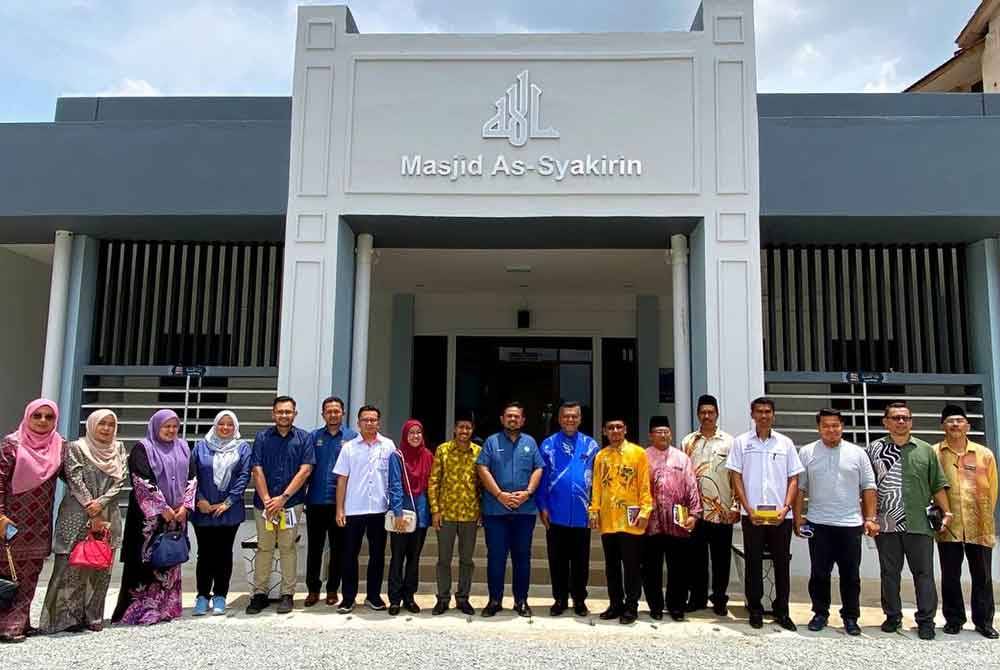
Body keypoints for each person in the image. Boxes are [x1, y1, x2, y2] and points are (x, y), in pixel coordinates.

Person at [867, 401, 951, 640]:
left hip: (919, 522)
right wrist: (869, 518)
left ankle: (926, 621)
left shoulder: (925, 450)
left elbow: (937, 484)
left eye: (905, 417)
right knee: (889, 573)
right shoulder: (873, 450)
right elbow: (867, 487)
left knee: (924, 574)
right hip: (886, 522)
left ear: (911, 421)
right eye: (895, 418)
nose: (901, 421)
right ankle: (892, 617)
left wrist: (947, 513)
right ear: (885, 422)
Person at [40, 409, 127, 633]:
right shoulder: (77, 448)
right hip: (77, 514)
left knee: (100, 565)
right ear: (91, 425)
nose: (106, 428)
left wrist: (101, 504)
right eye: (102, 423)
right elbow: (74, 479)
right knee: (70, 566)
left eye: (110, 424)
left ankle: (92, 616)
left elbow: (121, 480)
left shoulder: (118, 448)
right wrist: (92, 507)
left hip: (108, 513)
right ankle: (64, 619)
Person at [793, 409, 877, 636]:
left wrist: (870, 518)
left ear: (842, 427)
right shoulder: (807, 452)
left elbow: (869, 487)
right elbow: (800, 488)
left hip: (850, 524)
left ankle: (851, 617)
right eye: (826, 426)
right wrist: (798, 518)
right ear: (818, 428)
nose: (831, 430)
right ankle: (820, 613)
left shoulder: (857, 453)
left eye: (835, 425)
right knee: (819, 573)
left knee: (851, 575)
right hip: (818, 523)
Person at [112, 409, 196, 625]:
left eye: (174, 426)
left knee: (170, 556)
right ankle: (140, 611)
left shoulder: (183, 447)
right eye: (166, 426)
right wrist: (162, 507)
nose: (171, 430)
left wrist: (185, 506)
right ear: (156, 426)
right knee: (146, 559)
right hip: (148, 517)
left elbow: (192, 478)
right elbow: (141, 480)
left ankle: (167, 608)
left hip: (177, 516)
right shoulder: (143, 448)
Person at [726, 397, 803, 631]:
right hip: (753, 516)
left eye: (768, 411)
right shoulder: (741, 442)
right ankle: (755, 609)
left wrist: (786, 508)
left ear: (773, 415)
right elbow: (736, 477)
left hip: (781, 517)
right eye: (759, 411)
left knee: (782, 563)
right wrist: (746, 508)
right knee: (753, 563)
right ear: (752, 415)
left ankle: (782, 611)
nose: (763, 415)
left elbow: (794, 478)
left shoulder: (785, 443)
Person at [0, 399, 63, 643]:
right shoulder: (11, 445)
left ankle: (20, 621)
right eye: (37, 416)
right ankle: (7, 623)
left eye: (49, 416)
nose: (43, 421)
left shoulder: (59, 446)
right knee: (7, 572)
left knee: (30, 574)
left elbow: (75, 476)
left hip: (39, 524)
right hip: (9, 521)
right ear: (28, 417)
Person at [932, 404, 997, 638]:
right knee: (950, 575)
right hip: (949, 525)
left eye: (959, 420)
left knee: (983, 575)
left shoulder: (984, 454)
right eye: (950, 421)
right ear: (943, 426)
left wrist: (984, 515)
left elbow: (993, 488)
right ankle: (954, 619)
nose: (955, 424)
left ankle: (984, 621)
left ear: (967, 426)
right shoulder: (934, 453)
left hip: (979, 525)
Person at [245, 396, 314, 616]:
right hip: (264, 505)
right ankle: (259, 594)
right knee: (264, 547)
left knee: (287, 547)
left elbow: (305, 470)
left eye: (288, 411)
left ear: (295, 414)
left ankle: (287, 594)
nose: (284, 415)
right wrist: (268, 500)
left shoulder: (304, 438)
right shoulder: (262, 437)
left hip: (291, 504)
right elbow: (256, 469)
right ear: (273, 413)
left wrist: (282, 498)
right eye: (280, 411)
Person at [476, 401, 544, 618]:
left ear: (523, 420)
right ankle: (494, 600)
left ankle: (521, 601)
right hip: (495, 511)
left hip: (524, 511)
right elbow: (482, 468)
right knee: (496, 557)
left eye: (517, 416)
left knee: (522, 557)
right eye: (509, 416)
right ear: (502, 419)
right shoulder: (491, 442)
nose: (513, 419)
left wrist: (528, 493)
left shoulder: (530, 442)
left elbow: (538, 468)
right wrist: (499, 494)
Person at [537, 401, 600, 617]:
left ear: (580, 419)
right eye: (566, 416)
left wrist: (595, 507)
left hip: (582, 515)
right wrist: (542, 506)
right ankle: (560, 599)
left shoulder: (591, 445)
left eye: (574, 416)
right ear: (559, 419)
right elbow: (541, 478)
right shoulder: (548, 445)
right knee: (557, 561)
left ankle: (579, 600)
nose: (570, 420)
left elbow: (598, 481)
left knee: (581, 561)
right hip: (556, 513)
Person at [588, 416, 652, 625]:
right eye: (611, 427)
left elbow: (644, 485)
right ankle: (615, 604)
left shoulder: (638, 453)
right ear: (605, 431)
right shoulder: (601, 456)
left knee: (632, 566)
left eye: (618, 427)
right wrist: (594, 510)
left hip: (631, 520)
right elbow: (597, 486)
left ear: (625, 430)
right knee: (612, 566)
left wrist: (645, 511)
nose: (615, 431)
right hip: (609, 519)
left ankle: (631, 606)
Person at [334, 405, 397, 613]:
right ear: (358, 423)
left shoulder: (388, 445)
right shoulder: (349, 448)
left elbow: (394, 478)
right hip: (354, 509)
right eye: (365, 420)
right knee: (349, 555)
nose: (369, 423)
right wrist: (340, 509)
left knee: (377, 555)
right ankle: (348, 598)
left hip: (380, 509)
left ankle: (373, 596)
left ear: (379, 422)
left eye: (373, 420)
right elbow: (342, 480)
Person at [189, 410, 252, 616]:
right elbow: (192, 475)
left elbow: (244, 476)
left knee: (224, 554)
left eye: (230, 424)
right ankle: (202, 596)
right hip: (203, 509)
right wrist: (200, 500)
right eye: (221, 424)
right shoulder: (201, 447)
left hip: (229, 511)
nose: (225, 428)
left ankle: (220, 596)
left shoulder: (242, 448)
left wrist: (228, 502)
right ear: (215, 425)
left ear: (235, 427)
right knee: (204, 554)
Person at [682, 394, 738, 615]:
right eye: (703, 412)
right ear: (698, 414)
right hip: (696, 512)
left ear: (717, 414)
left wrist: (736, 506)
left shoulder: (730, 442)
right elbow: (684, 476)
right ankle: (697, 598)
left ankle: (720, 598)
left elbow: (736, 477)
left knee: (721, 559)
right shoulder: (688, 442)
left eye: (711, 412)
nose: (707, 416)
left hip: (722, 510)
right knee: (696, 558)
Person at [642, 415, 701, 622]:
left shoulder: (682, 458)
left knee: (679, 567)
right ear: (651, 435)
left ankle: (676, 606)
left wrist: (694, 514)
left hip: (678, 522)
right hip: (651, 523)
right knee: (651, 568)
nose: (663, 435)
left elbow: (692, 486)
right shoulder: (642, 457)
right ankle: (655, 606)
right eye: (658, 432)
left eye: (666, 432)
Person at [304, 396, 356, 608]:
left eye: (336, 411)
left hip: (340, 504)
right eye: (329, 411)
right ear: (323, 414)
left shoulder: (352, 437)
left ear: (343, 413)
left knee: (338, 549)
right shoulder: (313, 437)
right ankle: (313, 589)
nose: (333, 414)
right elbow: (306, 468)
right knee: (314, 549)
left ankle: (333, 589)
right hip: (316, 501)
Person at [428, 411, 482, 616]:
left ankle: (463, 598)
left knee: (467, 560)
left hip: (470, 514)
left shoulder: (478, 452)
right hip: (447, 514)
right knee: (444, 559)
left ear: (472, 430)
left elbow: (482, 484)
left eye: (468, 428)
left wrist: (482, 511)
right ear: (454, 429)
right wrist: (435, 510)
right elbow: (434, 481)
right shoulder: (443, 450)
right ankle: (443, 599)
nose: (464, 431)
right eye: (461, 427)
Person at [387, 419, 433, 615]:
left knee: (414, 559)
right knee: (397, 557)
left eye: (418, 432)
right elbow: (395, 485)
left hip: (420, 515)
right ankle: (394, 599)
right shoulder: (397, 456)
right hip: (402, 515)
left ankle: (409, 597)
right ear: (405, 436)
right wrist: (397, 513)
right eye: (411, 433)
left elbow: (431, 485)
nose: (415, 436)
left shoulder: (428, 456)